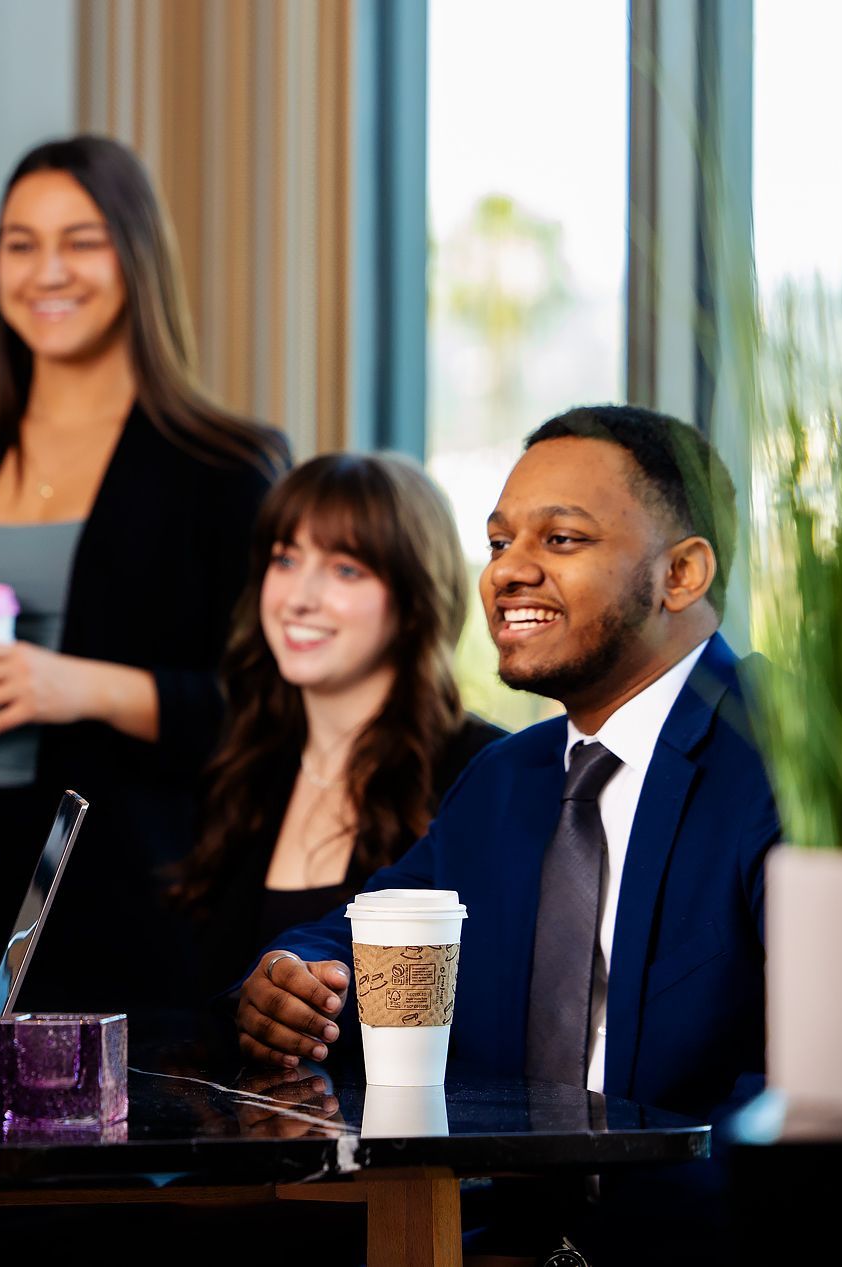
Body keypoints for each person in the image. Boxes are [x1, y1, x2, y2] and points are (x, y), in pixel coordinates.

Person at [236, 404, 775, 1260]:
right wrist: (288, 978)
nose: (507, 572)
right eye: (497, 543)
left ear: (681, 573)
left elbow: (805, 1094)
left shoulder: (786, 758)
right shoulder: (506, 778)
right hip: (484, 1234)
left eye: (561, 539)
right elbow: (362, 928)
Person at [0, 135, 288, 1013]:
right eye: (20, 243)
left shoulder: (226, 466)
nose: (47, 271)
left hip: (136, 900)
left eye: (81, 241)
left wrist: (76, 685)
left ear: (136, 257)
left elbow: (263, 709)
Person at [170, 452, 504, 1002]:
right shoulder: (241, 762)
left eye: (346, 569)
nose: (298, 599)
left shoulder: (484, 772)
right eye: (285, 559)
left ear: (414, 598)